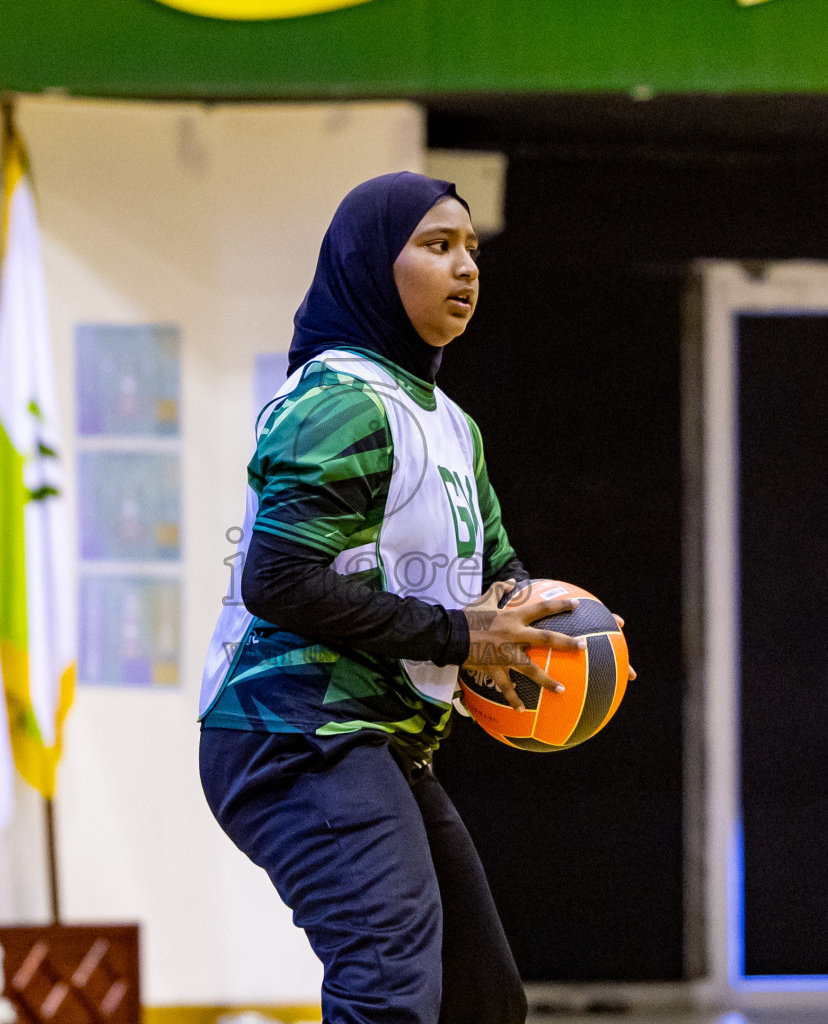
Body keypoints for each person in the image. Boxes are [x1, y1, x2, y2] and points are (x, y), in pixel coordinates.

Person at [198, 172, 629, 1024]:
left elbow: (496, 580)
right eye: (437, 246)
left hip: (381, 740)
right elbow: (279, 582)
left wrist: (570, 635)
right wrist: (458, 638)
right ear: (370, 265)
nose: (466, 267)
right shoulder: (336, 400)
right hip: (291, 732)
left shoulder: (451, 424)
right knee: (389, 983)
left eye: (471, 248)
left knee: (484, 999)